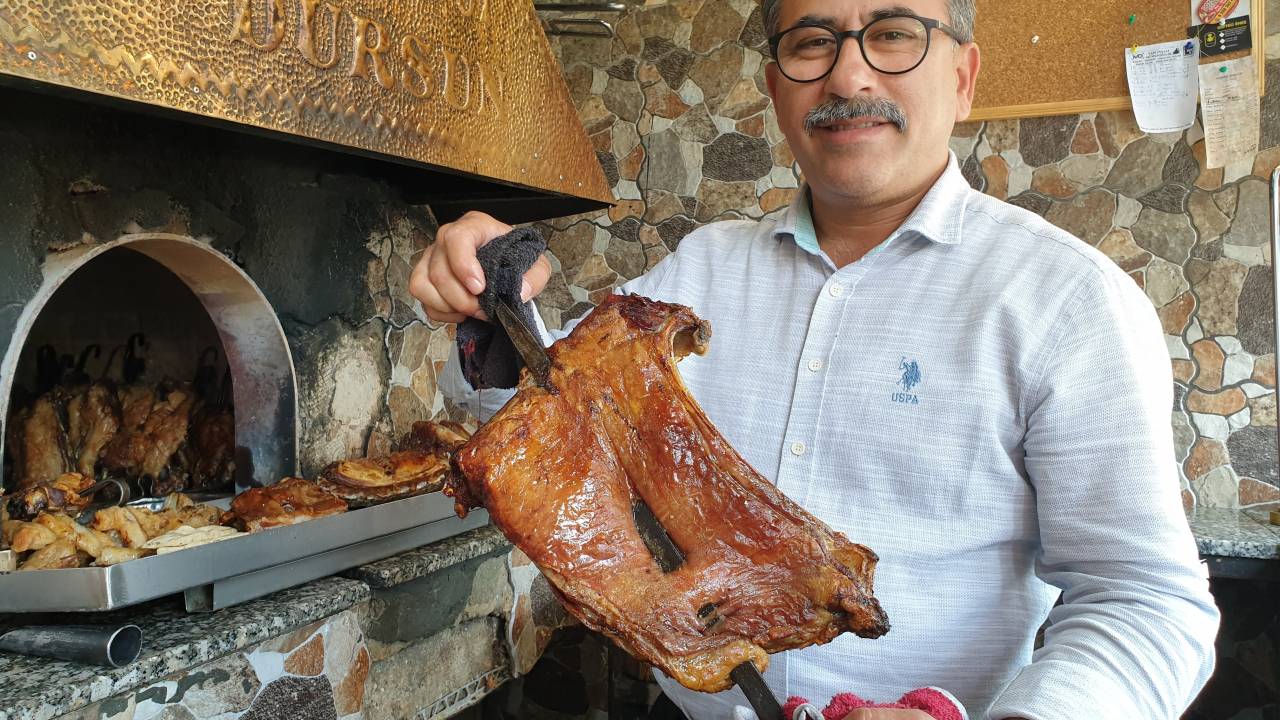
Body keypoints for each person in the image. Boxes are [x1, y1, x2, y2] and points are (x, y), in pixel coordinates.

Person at [409, 0, 1220, 717]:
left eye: (895, 34)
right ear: (774, 88)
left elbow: (1147, 601)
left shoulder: (1067, 302)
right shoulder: (703, 270)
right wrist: (489, 304)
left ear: (965, 77)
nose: (848, 74)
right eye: (811, 43)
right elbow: (560, 420)